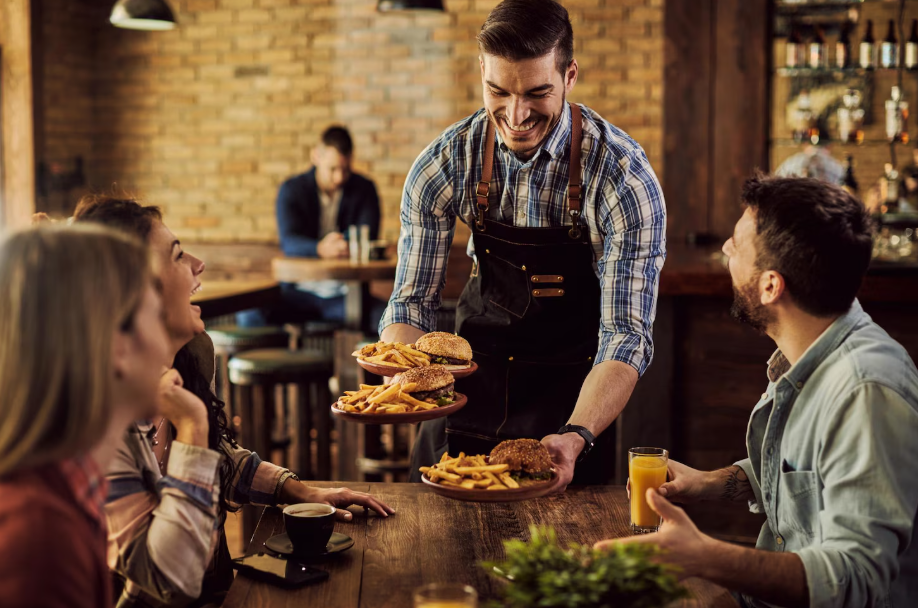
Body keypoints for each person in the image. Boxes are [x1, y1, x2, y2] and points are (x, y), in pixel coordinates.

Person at [597, 175, 918, 608]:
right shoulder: (810, 351)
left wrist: (706, 557)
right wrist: (709, 483)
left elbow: (856, 579)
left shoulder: (866, 393)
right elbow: (807, 471)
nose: (726, 250)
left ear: (770, 285)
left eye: (736, 244)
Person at [381, 0, 666, 487]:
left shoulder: (622, 176)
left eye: (537, 93)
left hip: (572, 410)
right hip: (465, 401)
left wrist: (577, 434)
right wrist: (408, 379)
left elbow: (626, 335)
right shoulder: (445, 163)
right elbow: (411, 304)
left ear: (569, 76)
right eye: (498, 91)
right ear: (482, 71)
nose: (515, 115)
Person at [74, 196, 394, 607]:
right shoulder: (96, 422)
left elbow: (218, 457)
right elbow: (169, 581)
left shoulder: (191, 358)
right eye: (177, 255)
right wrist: (192, 425)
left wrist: (299, 491)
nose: (198, 263)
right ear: (133, 290)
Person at [0, 224, 169, 607]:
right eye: (157, 316)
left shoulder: (64, 492)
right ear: (118, 346)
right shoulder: (38, 540)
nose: (165, 347)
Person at [237, 125, 384, 333]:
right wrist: (320, 249)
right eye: (333, 169)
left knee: (388, 319)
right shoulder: (292, 189)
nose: (339, 177)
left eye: (345, 169)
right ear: (316, 156)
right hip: (298, 293)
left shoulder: (365, 189)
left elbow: (367, 236)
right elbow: (289, 242)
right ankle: (286, 353)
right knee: (249, 314)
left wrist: (341, 245)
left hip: (346, 295)